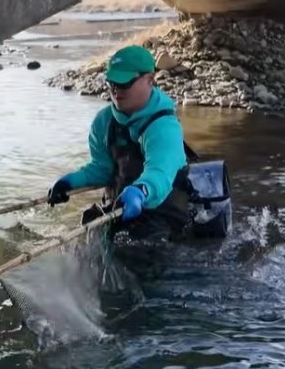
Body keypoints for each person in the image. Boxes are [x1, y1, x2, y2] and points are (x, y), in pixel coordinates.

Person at [47, 44, 196, 240]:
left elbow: (160, 173)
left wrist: (140, 192)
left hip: (163, 214)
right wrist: (69, 182)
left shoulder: (164, 127)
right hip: (119, 207)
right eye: (112, 83)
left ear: (150, 79)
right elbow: (103, 169)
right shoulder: (103, 121)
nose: (116, 90)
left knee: (140, 248)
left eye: (125, 83)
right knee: (89, 229)